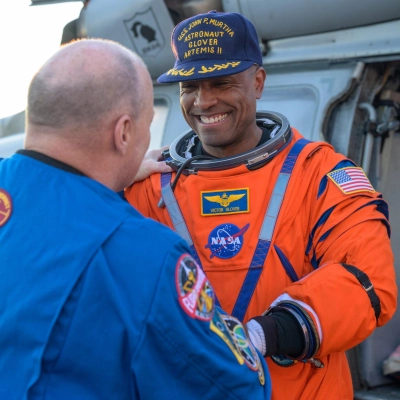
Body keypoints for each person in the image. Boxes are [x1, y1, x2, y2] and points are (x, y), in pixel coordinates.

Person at [125, 11, 398, 400]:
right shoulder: (150, 184)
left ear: (257, 82)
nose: (204, 101)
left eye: (221, 82)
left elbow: (367, 280)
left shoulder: (319, 175)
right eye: (190, 86)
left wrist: (263, 335)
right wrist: (105, 182)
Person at [0, 39, 271, 400]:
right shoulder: (145, 254)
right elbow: (236, 386)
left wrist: (105, 181)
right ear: (124, 132)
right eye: (146, 127)